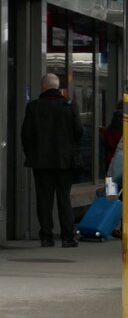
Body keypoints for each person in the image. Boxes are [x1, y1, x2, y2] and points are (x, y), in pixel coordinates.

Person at [21, 72, 83, 248]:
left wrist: (32, 153)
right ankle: (68, 237)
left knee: (44, 199)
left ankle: (47, 237)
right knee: (64, 198)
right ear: (58, 87)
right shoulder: (69, 106)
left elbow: (26, 134)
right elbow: (79, 131)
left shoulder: (33, 107)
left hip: (41, 161)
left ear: (43, 86)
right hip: (65, 161)